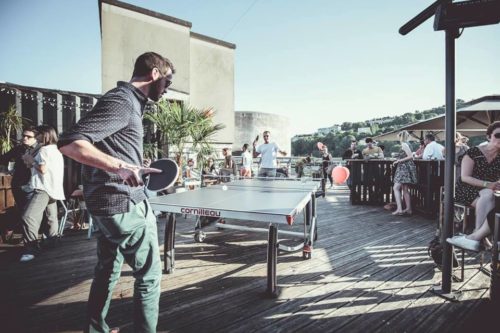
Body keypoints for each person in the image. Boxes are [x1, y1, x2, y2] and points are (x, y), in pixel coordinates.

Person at [58, 52, 174, 332]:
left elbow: (107, 149)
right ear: (155, 74)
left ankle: (95, 328)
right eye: (168, 80)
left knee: (108, 269)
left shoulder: (129, 103)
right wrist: (121, 166)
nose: (168, 88)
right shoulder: (122, 101)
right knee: (149, 275)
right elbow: (70, 143)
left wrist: (134, 165)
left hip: (106, 206)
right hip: (124, 205)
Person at [447, 121, 500, 252]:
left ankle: (478, 236)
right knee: (491, 198)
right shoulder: (474, 152)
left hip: (489, 190)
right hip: (466, 188)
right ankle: (479, 236)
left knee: (490, 196)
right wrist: (488, 184)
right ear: (488, 137)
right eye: (497, 135)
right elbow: (465, 177)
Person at [19, 125, 65, 262]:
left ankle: (31, 248)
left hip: (43, 188)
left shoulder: (44, 149)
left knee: (28, 216)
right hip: (53, 188)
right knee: (51, 216)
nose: (36, 136)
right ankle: (53, 241)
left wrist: (30, 160)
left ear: (44, 135)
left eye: (37, 134)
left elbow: (42, 169)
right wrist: (30, 161)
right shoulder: (56, 149)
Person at [0, 126, 39, 240]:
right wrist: (6, 170)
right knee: (22, 209)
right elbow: (3, 158)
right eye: (24, 136)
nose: (25, 138)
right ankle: (26, 237)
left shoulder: (40, 150)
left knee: (29, 212)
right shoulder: (18, 149)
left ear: (36, 138)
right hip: (18, 184)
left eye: (29, 136)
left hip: (33, 184)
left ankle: (28, 236)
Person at [391, 130, 417, 216]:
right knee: (405, 189)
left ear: (401, 137)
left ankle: (399, 209)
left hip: (404, 168)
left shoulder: (404, 144)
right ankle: (408, 209)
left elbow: (410, 156)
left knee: (396, 188)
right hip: (407, 167)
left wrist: (398, 160)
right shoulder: (408, 144)